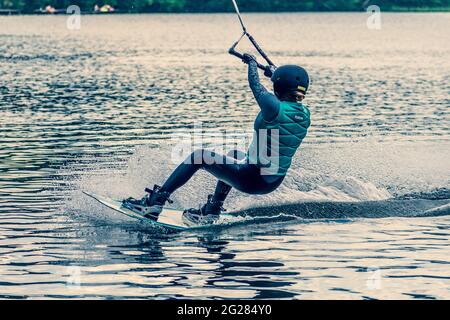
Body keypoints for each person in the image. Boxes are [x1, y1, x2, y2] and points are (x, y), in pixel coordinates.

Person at [123, 54, 311, 225]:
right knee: (234, 154)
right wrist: (275, 76)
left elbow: (256, 86)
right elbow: (283, 95)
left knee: (199, 157)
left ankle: (154, 202)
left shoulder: (274, 108)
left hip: (253, 179)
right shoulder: (305, 114)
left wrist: (252, 64)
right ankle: (212, 210)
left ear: (279, 86)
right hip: (272, 181)